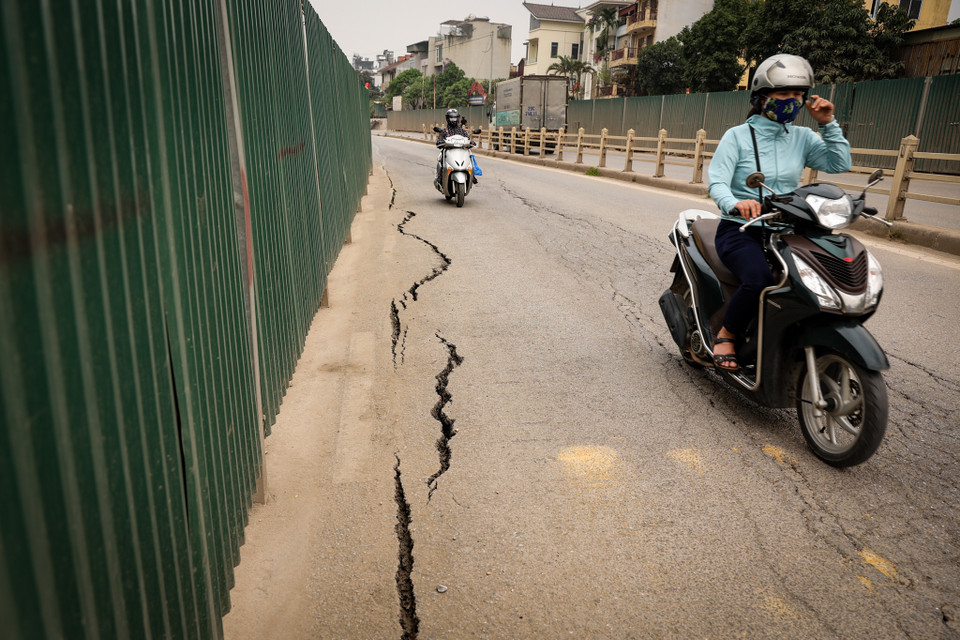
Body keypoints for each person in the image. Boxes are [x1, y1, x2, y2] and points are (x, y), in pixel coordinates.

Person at [707, 54, 851, 371]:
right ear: (762, 98)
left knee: (817, 277)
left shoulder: (803, 137)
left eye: (798, 95)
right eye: (784, 93)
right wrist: (735, 203)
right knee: (758, 278)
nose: (792, 100)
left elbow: (839, 163)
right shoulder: (737, 136)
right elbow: (716, 181)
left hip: (786, 230)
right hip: (741, 228)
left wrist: (828, 123)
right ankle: (726, 334)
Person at [436, 108, 478, 184]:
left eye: (455, 118)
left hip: (461, 152)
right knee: (441, 156)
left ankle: (472, 176)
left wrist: (471, 143)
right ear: (447, 119)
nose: (453, 120)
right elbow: (439, 140)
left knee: (470, 155)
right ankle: (440, 177)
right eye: (451, 118)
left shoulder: (462, 131)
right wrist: (440, 142)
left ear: (458, 118)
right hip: (449, 152)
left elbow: (467, 139)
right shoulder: (444, 131)